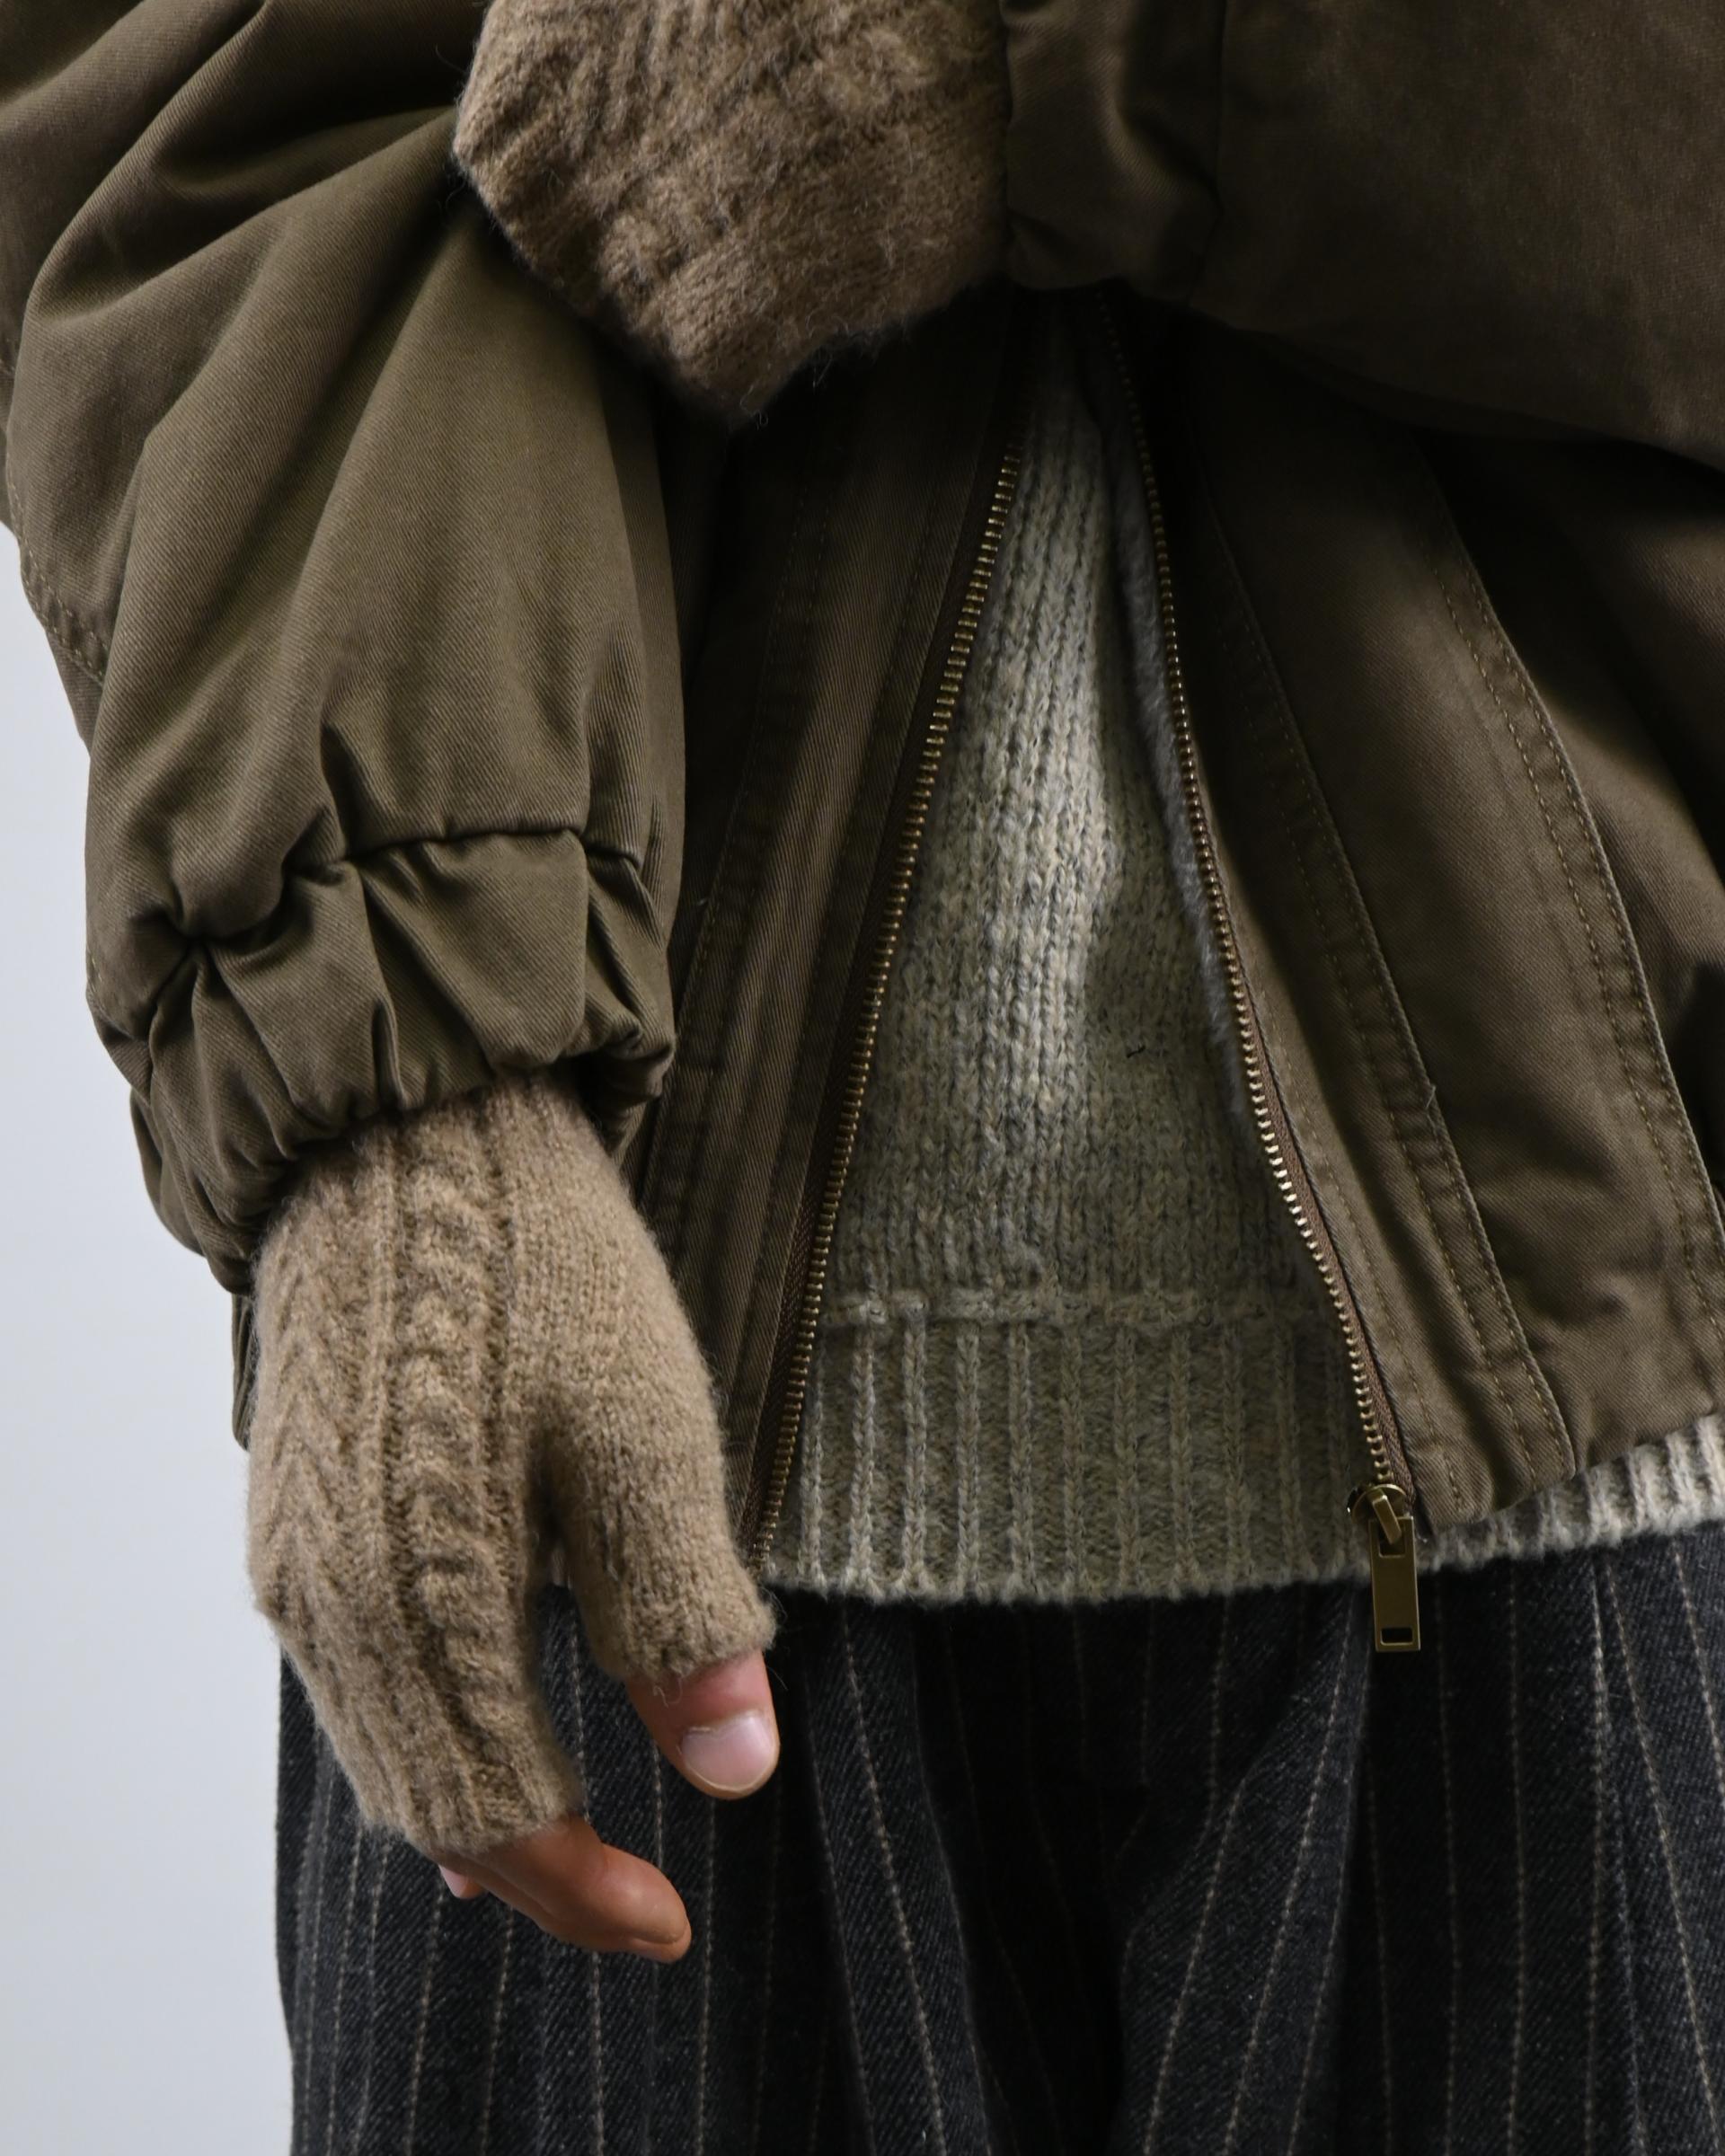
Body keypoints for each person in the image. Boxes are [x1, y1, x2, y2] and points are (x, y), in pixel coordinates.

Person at [7, 1, 1725, 2148]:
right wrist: (406, 1062)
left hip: (1593, 1398)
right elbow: (195, 85)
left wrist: (1039, 45)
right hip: (599, 1407)